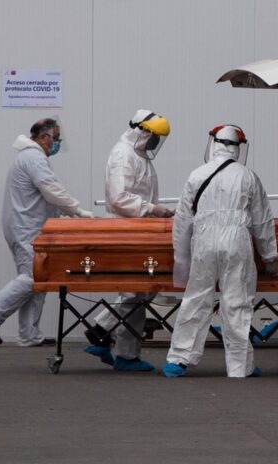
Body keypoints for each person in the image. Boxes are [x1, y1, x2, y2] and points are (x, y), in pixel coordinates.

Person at [162, 124, 278, 378]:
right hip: (237, 242)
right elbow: (262, 221)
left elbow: (182, 221)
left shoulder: (197, 175)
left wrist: (181, 260)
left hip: (203, 243)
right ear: (238, 148)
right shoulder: (248, 177)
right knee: (237, 303)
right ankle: (239, 367)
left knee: (196, 300)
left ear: (214, 144)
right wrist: (270, 257)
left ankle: (179, 359)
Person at [0, 118, 94, 346]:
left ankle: (29, 335)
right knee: (34, 276)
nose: (58, 143)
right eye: (56, 138)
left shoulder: (31, 157)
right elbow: (51, 190)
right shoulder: (33, 158)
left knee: (39, 276)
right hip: (26, 228)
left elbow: (47, 194)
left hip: (29, 227)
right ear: (44, 137)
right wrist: (76, 210)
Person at [83, 109, 173, 372]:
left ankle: (111, 340)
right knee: (137, 289)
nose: (156, 142)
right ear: (141, 131)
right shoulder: (124, 155)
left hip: (139, 229)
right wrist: (151, 209)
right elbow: (119, 197)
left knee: (141, 290)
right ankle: (113, 342)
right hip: (126, 230)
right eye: (154, 136)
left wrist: (153, 212)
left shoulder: (138, 155)